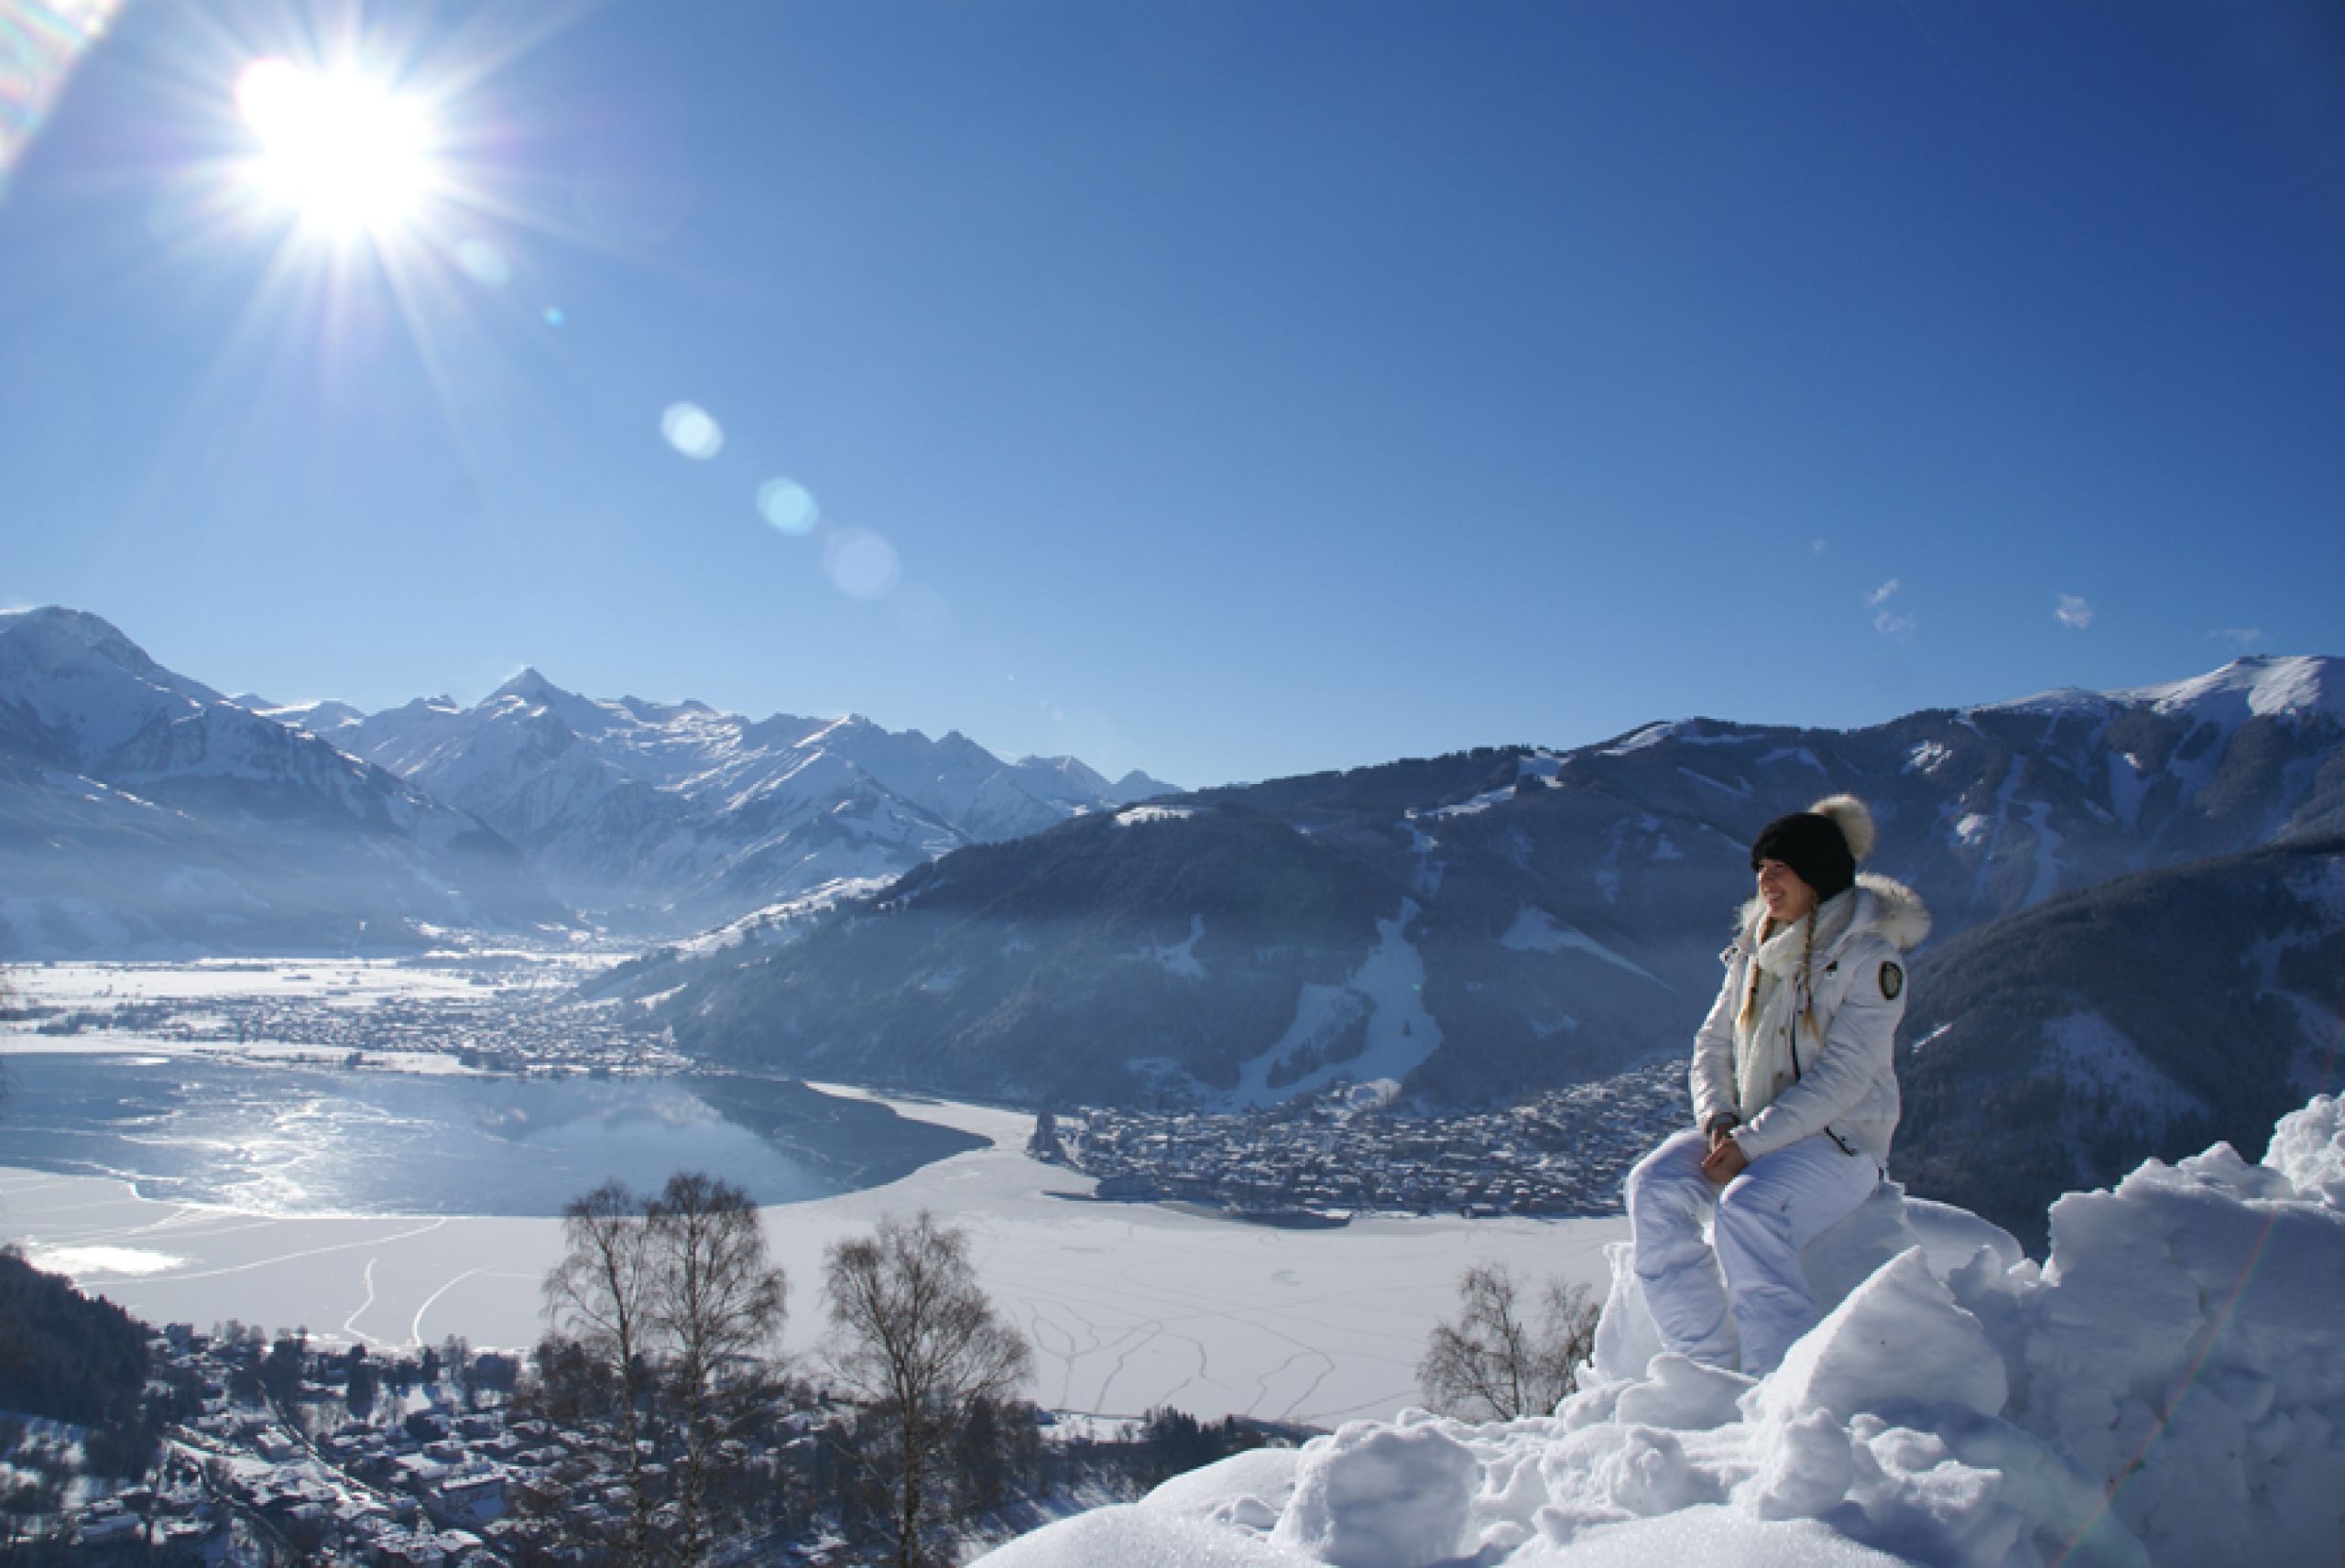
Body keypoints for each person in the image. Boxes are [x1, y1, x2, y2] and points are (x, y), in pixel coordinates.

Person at [1623, 794, 1930, 1377]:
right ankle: (1705, 1366)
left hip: (1838, 1142)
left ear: (1818, 875)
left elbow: (1845, 1077)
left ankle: (1775, 1382)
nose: (1766, 882)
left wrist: (1750, 1143)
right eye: (1761, 869)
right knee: (1653, 1186)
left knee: (1748, 1210)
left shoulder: (1869, 959)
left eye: (1780, 868)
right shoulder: (1754, 950)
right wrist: (1718, 1121)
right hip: (1753, 1130)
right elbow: (1712, 1045)